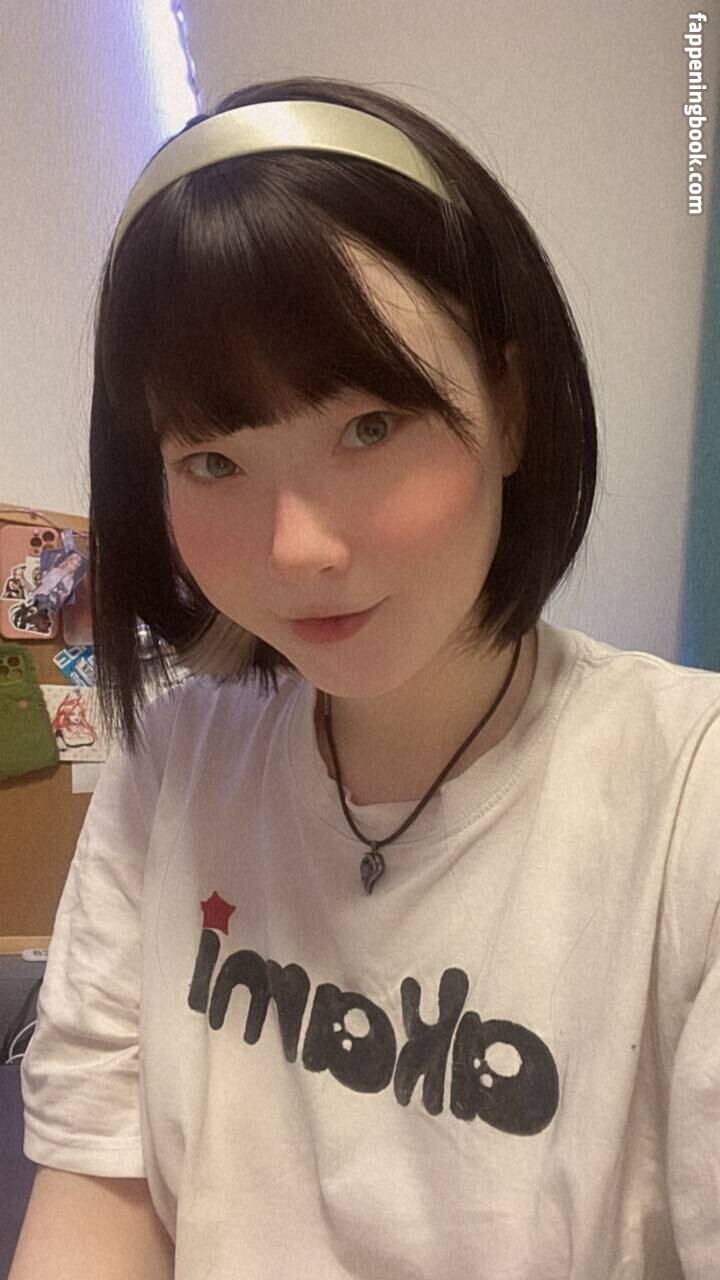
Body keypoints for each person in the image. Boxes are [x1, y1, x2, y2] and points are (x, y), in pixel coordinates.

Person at [13, 74, 720, 1280]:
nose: (299, 549)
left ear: (510, 405)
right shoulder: (174, 759)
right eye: (213, 460)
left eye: (371, 426)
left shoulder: (687, 800)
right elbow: (98, 1197)